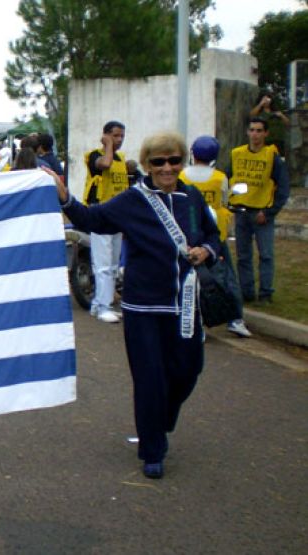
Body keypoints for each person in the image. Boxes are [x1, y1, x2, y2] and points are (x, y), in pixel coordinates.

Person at [54, 131, 220, 480]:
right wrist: (65, 198)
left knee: (188, 371)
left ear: (182, 161)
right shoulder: (133, 200)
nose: (167, 167)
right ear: (146, 164)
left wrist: (207, 250)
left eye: (174, 160)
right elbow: (91, 219)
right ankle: (152, 447)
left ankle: (160, 421)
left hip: (185, 305)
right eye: (158, 161)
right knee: (149, 379)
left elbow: (211, 234)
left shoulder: (192, 198)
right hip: (144, 306)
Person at [180, 135, 251, 338]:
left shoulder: (183, 176)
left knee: (189, 280)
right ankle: (235, 318)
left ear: (193, 153)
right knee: (227, 277)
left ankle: (196, 321)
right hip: (214, 236)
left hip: (189, 234)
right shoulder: (220, 177)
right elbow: (226, 201)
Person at [227, 117, 290, 304]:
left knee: (266, 255)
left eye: (259, 130)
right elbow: (228, 179)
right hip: (241, 212)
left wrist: (269, 212)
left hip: (262, 213)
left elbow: (283, 188)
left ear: (266, 134)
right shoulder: (237, 154)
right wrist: (231, 203)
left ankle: (265, 293)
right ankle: (246, 293)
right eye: (252, 130)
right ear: (247, 132)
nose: (255, 134)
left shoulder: (272, 157)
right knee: (243, 256)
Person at [83, 121, 129, 324]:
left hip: (117, 214)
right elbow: (105, 164)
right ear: (106, 136)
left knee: (112, 263)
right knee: (102, 264)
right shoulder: (94, 155)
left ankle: (101, 303)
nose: (119, 140)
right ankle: (103, 306)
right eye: (115, 136)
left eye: (121, 136)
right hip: (99, 212)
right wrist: (108, 145)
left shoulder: (122, 159)